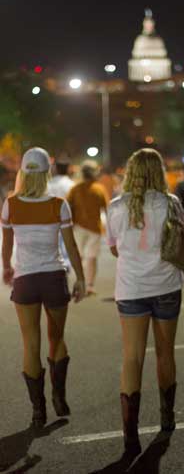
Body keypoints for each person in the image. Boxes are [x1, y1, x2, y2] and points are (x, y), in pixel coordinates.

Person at [106, 148, 184, 468]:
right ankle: (167, 419)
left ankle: (130, 434)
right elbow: (183, 240)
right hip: (166, 286)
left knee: (132, 356)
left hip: (131, 289)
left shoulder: (116, 206)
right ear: (158, 172)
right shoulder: (171, 203)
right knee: (165, 352)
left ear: (130, 172)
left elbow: (113, 249)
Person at [1, 147, 85, 429]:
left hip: (25, 280)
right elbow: (71, 246)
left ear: (23, 172)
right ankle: (59, 397)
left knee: (30, 343)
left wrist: (7, 268)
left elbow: (7, 246)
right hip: (54, 278)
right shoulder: (58, 204)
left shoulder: (10, 205)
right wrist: (82, 278)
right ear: (47, 172)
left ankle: (38, 412)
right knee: (57, 338)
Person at [67, 160, 108, 295]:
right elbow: (107, 209)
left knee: (80, 256)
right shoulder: (99, 189)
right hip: (95, 228)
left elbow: (67, 207)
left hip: (78, 226)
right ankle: (89, 285)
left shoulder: (75, 189)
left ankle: (81, 281)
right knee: (91, 257)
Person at [48, 154, 75, 270]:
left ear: (56, 168)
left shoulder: (49, 184)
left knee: (54, 246)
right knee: (66, 246)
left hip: (50, 220)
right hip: (66, 220)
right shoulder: (71, 185)